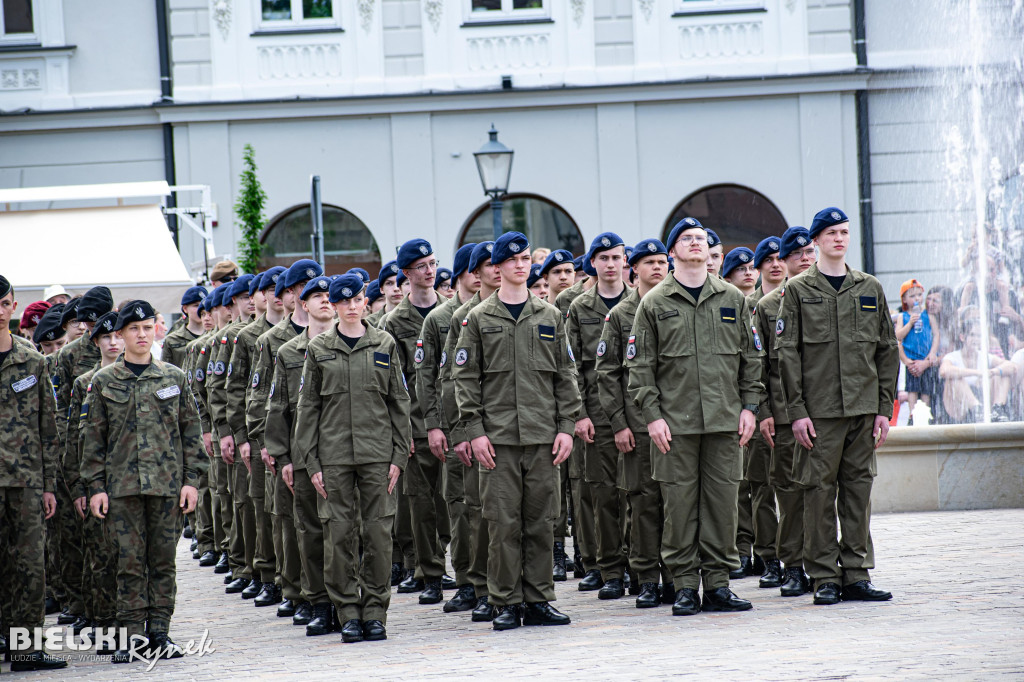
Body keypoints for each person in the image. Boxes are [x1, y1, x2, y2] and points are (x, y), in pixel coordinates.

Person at [626, 218, 762, 616]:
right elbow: (640, 368)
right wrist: (652, 417)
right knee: (679, 507)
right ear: (673, 253)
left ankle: (718, 585)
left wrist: (750, 408)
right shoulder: (654, 303)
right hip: (675, 425)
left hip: (724, 422)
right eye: (686, 239)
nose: (695, 243)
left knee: (723, 505)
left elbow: (752, 359)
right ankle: (685, 585)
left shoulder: (732, 299)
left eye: (701, 238)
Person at [453, 231, 581, 631]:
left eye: (525, 259)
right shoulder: (477, 319)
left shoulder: (550, 315)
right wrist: (474, 431)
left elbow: (566, 375)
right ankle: (505, 600)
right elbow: (464, 378)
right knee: (502, 522)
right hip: (499, 440)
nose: (520, 265)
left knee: (543, 520)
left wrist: (566, 428)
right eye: (511, 260)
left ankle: (539, 598)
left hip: (543, 437)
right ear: (497, 268)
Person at [775, 207, 899, 606]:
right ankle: (825, 575)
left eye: (844, 232)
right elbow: (787, 355)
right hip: (819, 412)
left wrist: (884, 407)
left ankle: (857, 574)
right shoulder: (797, 291)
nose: (839, 239)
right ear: (816, 241)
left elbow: (886, 350)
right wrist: (796, 412)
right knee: (817, 494)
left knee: (858, 493)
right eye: (831, 233)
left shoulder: (868, 287)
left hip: (862, 409)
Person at [80, 300, 207, 662]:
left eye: (147, 328)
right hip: (121, 491)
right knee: (128, 562)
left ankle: (160, 633)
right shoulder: (103, 382)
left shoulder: (173, 377)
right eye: (133, 329)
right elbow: (92, 440)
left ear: (156, 330)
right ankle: (132, 636)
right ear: (119, 335)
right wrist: (96, 488)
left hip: (167, 488)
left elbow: (191, 434)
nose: (140, 335)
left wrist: (191, 482)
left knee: (163, 561)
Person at [295, 274, 411, 643]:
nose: (349, 306)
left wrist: (399, 456)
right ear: (333, 304)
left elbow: (399, 402)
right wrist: (311, 462)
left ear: (364, 301)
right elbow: (307, 408)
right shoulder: (319, 348)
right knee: (338, 535)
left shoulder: (384, 343)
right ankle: (347, 612)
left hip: (378, 455)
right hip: (334, 458)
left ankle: (375, 612)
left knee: (378, 534)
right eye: (341, 301)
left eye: (355, 300)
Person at [595, 238, 671, 609]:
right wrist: (619, 424)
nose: (657, 268)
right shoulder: (622, 315)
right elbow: (607, 374)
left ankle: (676, 573)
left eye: (662, 261)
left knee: (677, 502)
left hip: (676, 424)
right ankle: (646, 576)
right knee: (642, 503)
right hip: (637, 426)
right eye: (649, 263)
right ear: (634, 269)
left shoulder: (676, 305)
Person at [248, 260, 323, 630]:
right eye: (301, 289)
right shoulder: (272, 341)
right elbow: (261, 396)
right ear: (290, 296)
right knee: (289, 519)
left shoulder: (333, 334)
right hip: (286, 441)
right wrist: (265, 441)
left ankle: (322, 592)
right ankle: (294, 590)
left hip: (326, 443)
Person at [0, 275, 66, 672]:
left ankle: (26, 647)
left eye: (4, 303)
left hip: (24, 482)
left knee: (29, 564)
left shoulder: (33, 361)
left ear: (12, 305)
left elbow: (48, 427)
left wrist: (47, 485)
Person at [264, 274, 335, 629]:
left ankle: (347, 601)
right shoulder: (287, 352)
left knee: (348, 531)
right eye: (316, 296)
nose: (325, 301)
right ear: (301, 304)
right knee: (308, 531)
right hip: (303, 453)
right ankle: (316, 600)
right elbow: (277, 407)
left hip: (345, 452)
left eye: (328, 295)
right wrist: (282, 456)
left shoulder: (360, 341)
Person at [416, 243, 480, 614]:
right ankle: (468, 582)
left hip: (490, 428)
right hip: (456, 428)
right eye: (475, 268)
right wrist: (434, 425)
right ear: (462, 274)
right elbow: (429, 378)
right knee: (459, 507)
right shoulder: (441, 319)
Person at [383, 238, 448, 605]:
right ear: (406, 274)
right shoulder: (395, 322)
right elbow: (394, 383)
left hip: (452, 422)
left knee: (451, 501)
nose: (429, 271)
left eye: (432, 263)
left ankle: (455, 564)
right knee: (421, 504)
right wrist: (401, 430)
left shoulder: (453, 314)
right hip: (416, 424)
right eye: (421, 266)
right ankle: (430, 571)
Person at [753, 226, 816, 597]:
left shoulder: (832, 295)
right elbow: (758, 365)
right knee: (790, 495)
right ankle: (793, 566)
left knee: (824, 494)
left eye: (809, 252)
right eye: (797, 255)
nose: (805, 259)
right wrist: (763, 411)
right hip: (783, 416)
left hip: (826, 411)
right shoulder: (767, 306)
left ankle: (827, 563)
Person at [440, 241, 500, 621]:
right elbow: (447, 381)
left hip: (512, 430)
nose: (498, 270)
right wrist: (458, 431)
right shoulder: (459, 318)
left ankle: (505, 585)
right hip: (473, 430)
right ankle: (473, 583)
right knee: (471, 510)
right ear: (474, 273)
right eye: (489, 265)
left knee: (504, 514)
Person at [568, 232, 630, 601]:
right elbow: (571, 364)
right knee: (603, 496)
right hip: (596, 413)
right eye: (603, 258)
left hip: (635, 412)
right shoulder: (580, 307)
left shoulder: (642, 302)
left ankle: (641, 567)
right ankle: (610, 570)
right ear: (592, 263)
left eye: (616, 257)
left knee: (638, 496)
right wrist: (579, 414)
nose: (610, 264)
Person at [63, 312, 123, 647]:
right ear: (96, 341)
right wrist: (78, 487)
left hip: (131, 482)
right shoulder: (84, 383)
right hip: (96, 483)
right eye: (106, 337)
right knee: (100, 558)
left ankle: (136, 625)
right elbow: (74, 439)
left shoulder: (138, 377)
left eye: (118, 336)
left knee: (133, 559)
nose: (113, 342)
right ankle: (105, 625)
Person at [734, 236, 785, 588]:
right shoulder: (749, 305)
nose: (776, 264)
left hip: (796, 410)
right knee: (760, 487)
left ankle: (794, 554)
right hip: (762, 410)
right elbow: (751, 364)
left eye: (783, 258)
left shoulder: (793, 298)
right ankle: (767, 555)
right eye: (768, 259)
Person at [938, 318, 1015, 422]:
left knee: (1002, 372)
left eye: (979, 336)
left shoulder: (985, 357)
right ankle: (977, 409)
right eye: (972, 335)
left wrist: (992, 372)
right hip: (959, 409)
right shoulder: (952, 356)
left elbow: (1012, 367)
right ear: (962, 337)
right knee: (955, 377)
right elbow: (943, 371)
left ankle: (998, 409)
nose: (976, 339)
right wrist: (978, 373)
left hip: (984, 402)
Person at [895, 279, 939, 421]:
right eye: (912, 296)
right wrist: (910, 324)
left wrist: (932, 353)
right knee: (912, 389)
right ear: (904, 299)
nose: (917, 299)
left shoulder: (928, 315)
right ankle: (912, 414)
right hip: (912, 359)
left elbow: (936, 334)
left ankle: (925, 414)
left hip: (925, 357)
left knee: (926, 388)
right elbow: (898, 336)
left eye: (919, 295)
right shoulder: (903, 316)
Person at [161, 286, 208, 368]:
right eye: (196, 305)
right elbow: (165, 370)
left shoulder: (214, 336)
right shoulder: (172, 340)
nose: (200, 309)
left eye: (204, 305)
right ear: (185, 308)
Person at [366, 261, 401, 327]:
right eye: (389, 283)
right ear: (381, 289)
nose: (396, 288)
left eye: (399, 282)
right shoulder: (368, 324)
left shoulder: (418, 315)